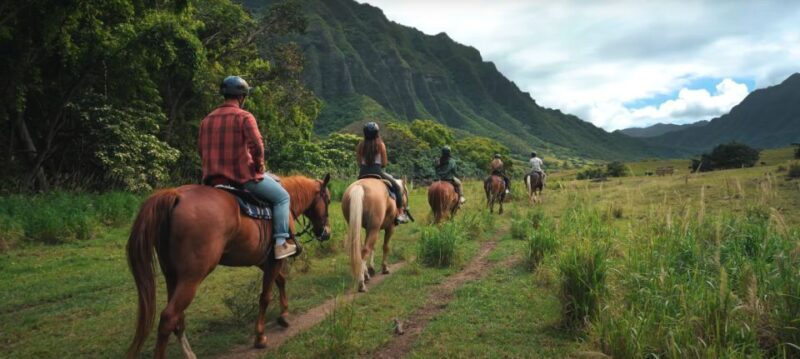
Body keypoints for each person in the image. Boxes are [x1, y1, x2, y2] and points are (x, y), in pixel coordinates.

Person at [198, 75, 297, 259]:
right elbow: (257, 146)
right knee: (282, 197)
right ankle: (280, 243)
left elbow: (201, 149)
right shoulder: (244, 116)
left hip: (212, 181)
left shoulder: (206, 120)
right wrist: (259, 166)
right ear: (242, 97)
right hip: (241, 178)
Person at [356, 122, 410, 223]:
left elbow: (359, 162)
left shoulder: (360, 145)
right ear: (377, 133)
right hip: (377, 172)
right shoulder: (380, 144)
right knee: (397, 187)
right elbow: (384, 163)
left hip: (362, 173)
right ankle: (400, 213)